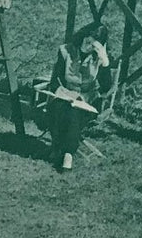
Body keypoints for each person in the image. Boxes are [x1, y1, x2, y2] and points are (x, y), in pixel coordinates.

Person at [44, 23, 113, 172]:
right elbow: (55, 80)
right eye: (87, 42)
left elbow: (106, 87)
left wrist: (105, 62)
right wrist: (62, 93)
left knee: (74, 111)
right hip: (64, 95)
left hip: (86, 102)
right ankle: (65, 152)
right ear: (83, 36)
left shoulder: (99, 59)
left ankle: (66, 153)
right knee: (64, 108)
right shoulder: (66, 51)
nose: (88, 47)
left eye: (93, 45)